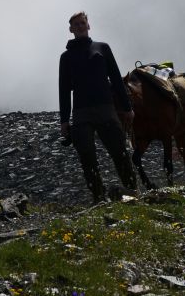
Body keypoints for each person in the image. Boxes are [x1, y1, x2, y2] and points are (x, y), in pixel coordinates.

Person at [58, 12, 138, 202]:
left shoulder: (102, 48)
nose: (79, 26)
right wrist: (63, 120)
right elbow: (63, 90)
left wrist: (127, 108)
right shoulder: (66, 57)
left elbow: (117, 79)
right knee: (87, 157)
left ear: (88, 25)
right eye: (76, 24)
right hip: (81, 113)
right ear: (70, 29)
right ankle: (99, 198)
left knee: (119, 152)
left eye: (82, 23)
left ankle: (132, 193)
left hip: (105, 109)